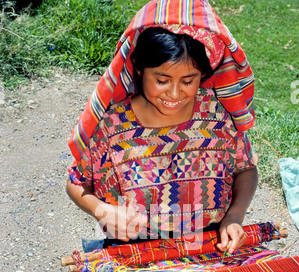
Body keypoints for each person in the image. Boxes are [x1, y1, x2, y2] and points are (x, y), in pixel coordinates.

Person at [66, 0, 258, 255]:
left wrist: (234, 216)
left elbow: (246, 169)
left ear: (202, 74)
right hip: (136, 253)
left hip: (212, 247)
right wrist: (102, 211)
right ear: (139, 69)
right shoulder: (112, 126)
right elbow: (75, 182)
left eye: (188, 80)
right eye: (161, 80)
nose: (175, 93)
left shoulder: (217, 116)